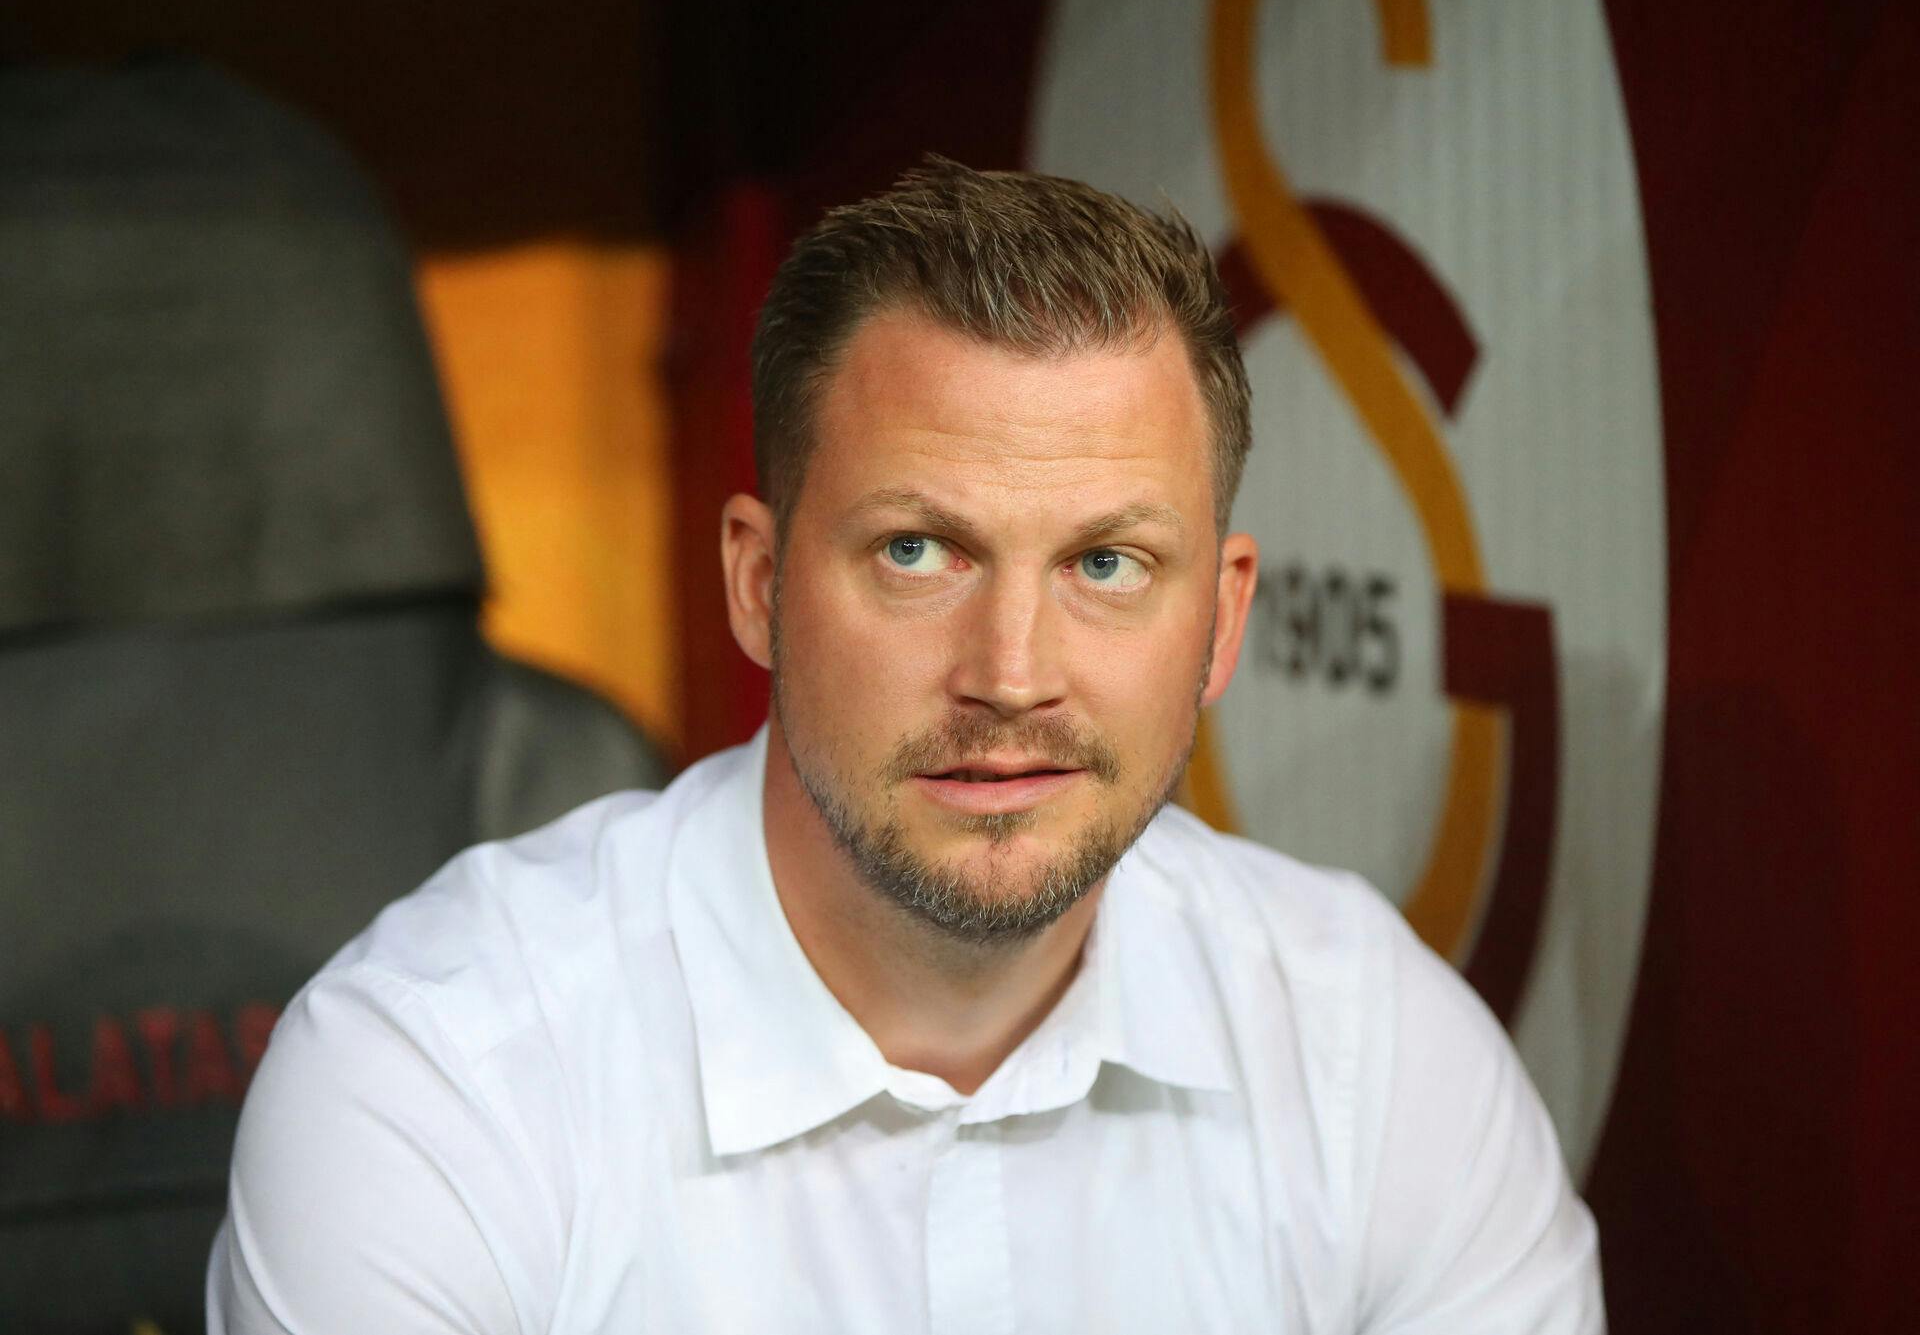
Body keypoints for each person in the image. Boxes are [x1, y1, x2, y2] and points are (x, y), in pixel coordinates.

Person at [208, 159, 1603, 1333]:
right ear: (759, 582)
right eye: (919, 550)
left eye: (1108, 562)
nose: (1011, 675)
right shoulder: (433, 1080)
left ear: (1223, 619)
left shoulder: (1377, 1060)